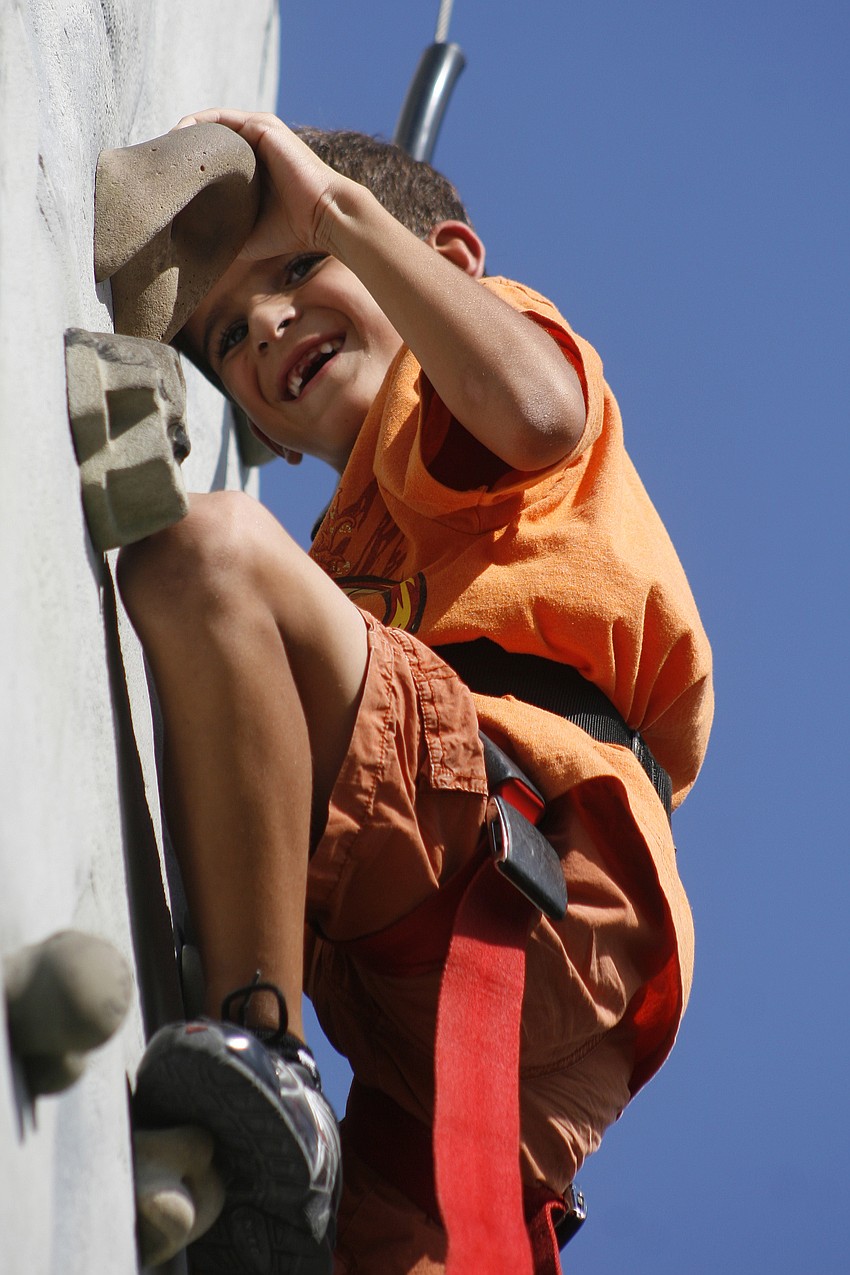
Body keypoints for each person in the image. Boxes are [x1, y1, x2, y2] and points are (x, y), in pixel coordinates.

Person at [121, 110, 713, 1275]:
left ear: (443, 263)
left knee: (207, 556)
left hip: (536, 856)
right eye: (231, 335)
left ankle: (262, 1045)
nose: (270, 323)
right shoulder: (335, 574)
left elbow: (534, 411)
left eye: (297, 269)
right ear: (261, 424)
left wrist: (338, 205)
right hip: (433, 1006)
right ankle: (274, 1087)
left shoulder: (489, 396)